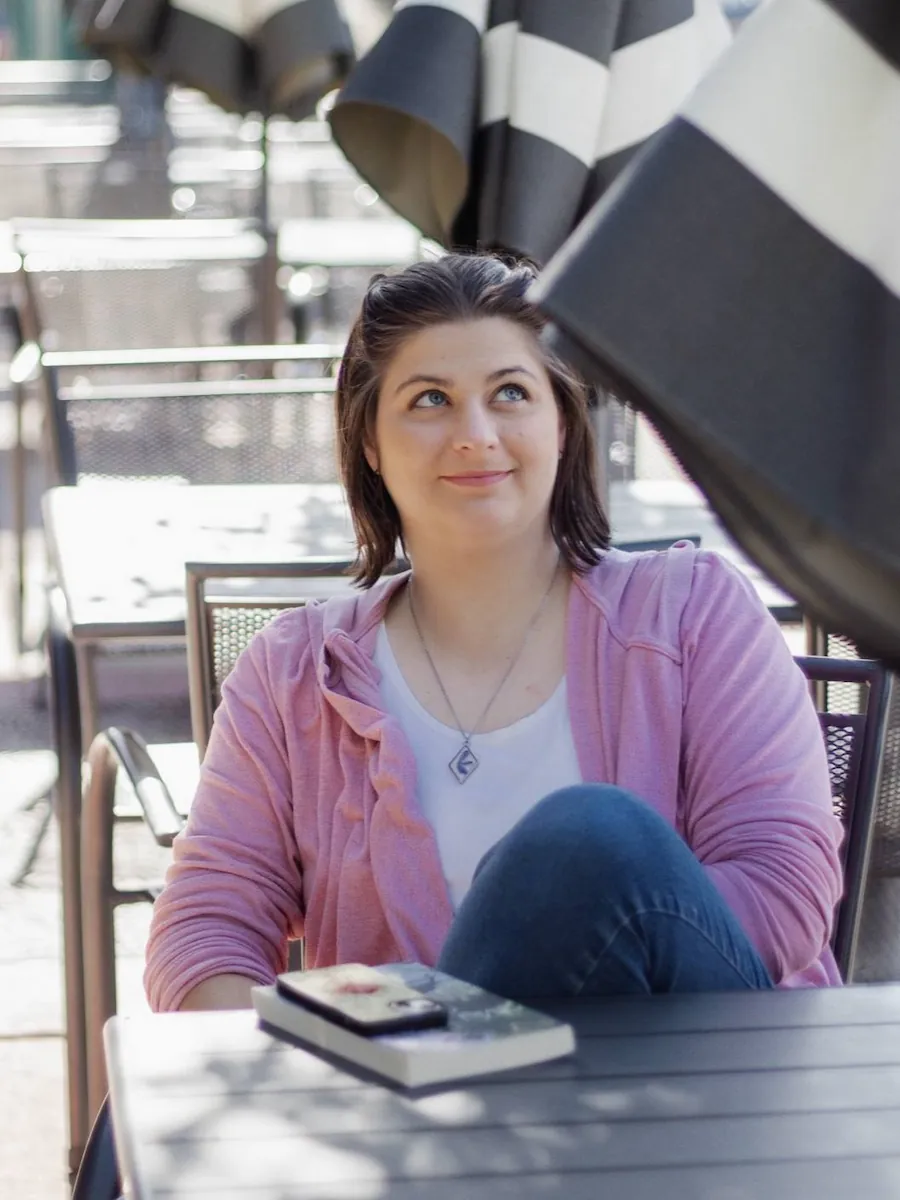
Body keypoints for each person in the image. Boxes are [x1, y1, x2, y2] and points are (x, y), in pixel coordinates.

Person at [144, 254, 844, 1013]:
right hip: (413, 1111)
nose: (475, 434)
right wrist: (308, 1058)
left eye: (511, 392)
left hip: (685, 1091)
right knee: (129, 1124)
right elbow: (204, 929)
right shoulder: (291, 672)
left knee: (591, 840)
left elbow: (784, 886)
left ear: (564, 424)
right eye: (429, 400)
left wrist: (529, 972)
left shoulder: (693, 614)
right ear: (370, 445)